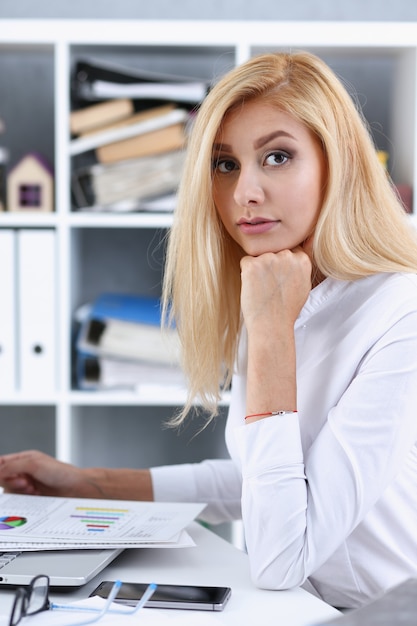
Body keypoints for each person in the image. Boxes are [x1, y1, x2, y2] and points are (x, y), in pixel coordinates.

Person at [1, 51, 417, 610]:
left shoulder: (400, 313)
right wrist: (89, 483)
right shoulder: (277, 283)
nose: (245, 191)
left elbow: (280, 558)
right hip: (312, 609)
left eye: (277, 156)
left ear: (336, 163)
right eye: (225, 164)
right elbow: (263, 480)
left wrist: (271, 336)